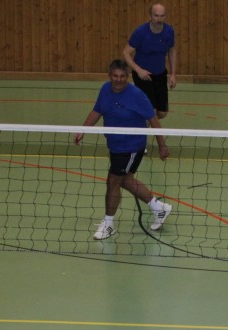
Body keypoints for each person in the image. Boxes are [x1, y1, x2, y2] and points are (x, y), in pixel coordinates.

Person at [73, 59, 172, 241]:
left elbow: (153, 120)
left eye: (122, 76)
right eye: (115, 76)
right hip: (115, 145)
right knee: (125, 180)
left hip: (131, 146)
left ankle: (109, 223)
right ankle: (159, 208)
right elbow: (97, 111)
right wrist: (82, 130)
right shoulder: (105, 89)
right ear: (110, 76)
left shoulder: (137, 95)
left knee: (113, 182)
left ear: (127, 77)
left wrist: (162, 145)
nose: (118, 80)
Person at [123, 3, 177, 120]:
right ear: (150, 16)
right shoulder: (140, 32)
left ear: (165, 16)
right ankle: (140, 129)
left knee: (162, 113)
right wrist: (139, 71)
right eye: (156, 16)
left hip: (160, 74)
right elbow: (126, 53)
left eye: (162, 16)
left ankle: (139, 118)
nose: (159, 19)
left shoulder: (169, 31)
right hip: (143, 76)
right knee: (150, 112)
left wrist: (173, 74)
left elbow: (172, 51)